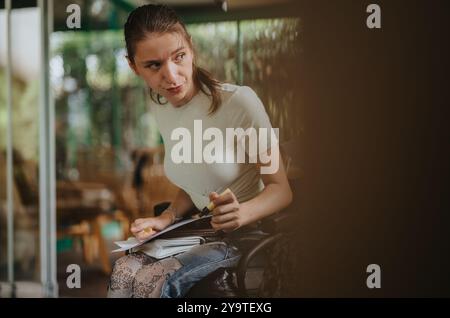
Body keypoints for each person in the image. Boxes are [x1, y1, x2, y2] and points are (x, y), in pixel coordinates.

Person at [107, 4, 292, 298]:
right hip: (198, 229)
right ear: (133, 66)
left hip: (243, 234)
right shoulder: (160, 104)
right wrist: (165, 217)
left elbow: (281, 189)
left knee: (151, 280)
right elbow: (197, 183)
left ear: (191, 49)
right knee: (124, 271)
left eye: (178, 57)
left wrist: (240, 213)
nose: (171, 76)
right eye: (153, 65)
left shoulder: (240, 103)